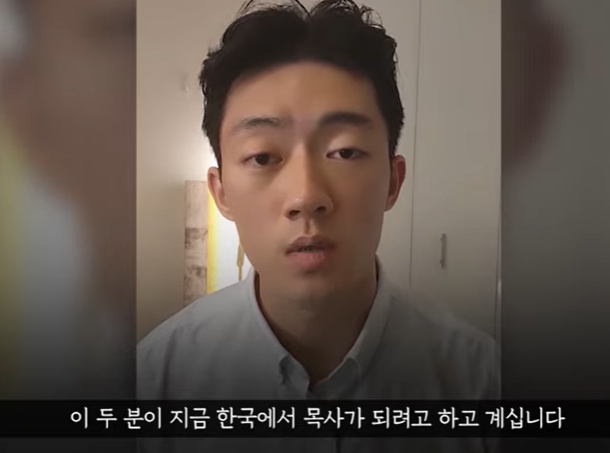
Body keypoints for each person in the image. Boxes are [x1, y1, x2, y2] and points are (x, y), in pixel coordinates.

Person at [138, 0, 499, 451]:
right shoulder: (153, 382)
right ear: (222, 192)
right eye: (263, 157)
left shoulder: (482, 382)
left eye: (345, 152)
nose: (306, 196)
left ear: (393, 181)